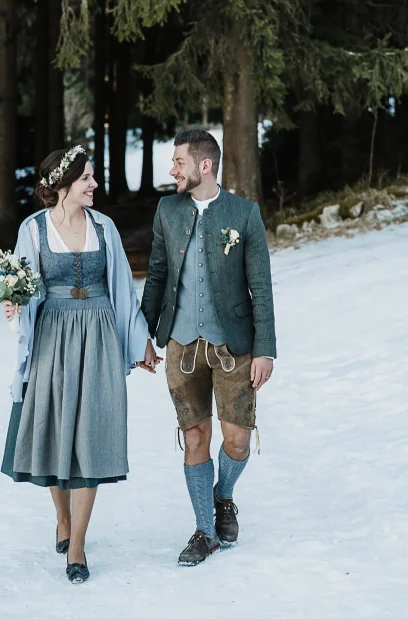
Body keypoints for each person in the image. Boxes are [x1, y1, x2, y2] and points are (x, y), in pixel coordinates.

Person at [0, 145, 161, 584]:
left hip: (99, 337)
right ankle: (62, 517)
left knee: (91, 431)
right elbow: (23, 285)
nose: (94, 185)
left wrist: (140, 342)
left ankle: (77, 546)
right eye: (87, 178)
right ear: (64, 184)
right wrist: (13, 305)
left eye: (92, 177)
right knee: (55, 429)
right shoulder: (32, 230)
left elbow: (124, 290)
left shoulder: (104, 228)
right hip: (52, 336)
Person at [140, 129, 277, 566]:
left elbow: (261, 285)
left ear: (205, 165)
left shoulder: (244, 213)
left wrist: (265, 349)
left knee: (237, 438)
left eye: (178, 162)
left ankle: (223, 495)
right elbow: (157, 274)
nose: (171, 170)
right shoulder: (167, 210)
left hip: (233, 345)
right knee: (195, 435)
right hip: (180, 344)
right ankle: (204, 530)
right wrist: (142, 333)